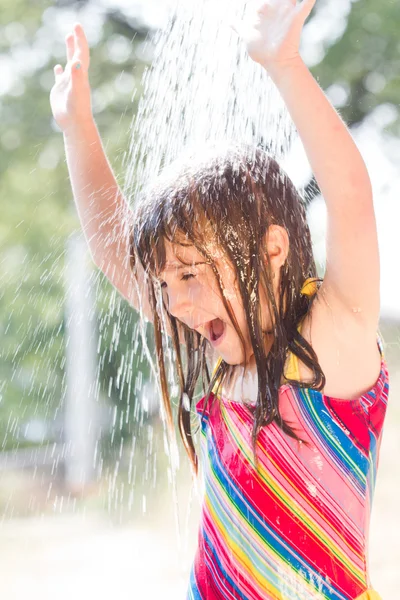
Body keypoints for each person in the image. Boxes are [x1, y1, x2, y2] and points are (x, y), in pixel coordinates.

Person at [50, 1, 389, 598]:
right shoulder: (223, 354)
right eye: (165, 283)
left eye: (189, 275)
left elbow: (352, 201)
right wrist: (79, 128)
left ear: (274, 248)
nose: (173, 302)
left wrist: (283, 65)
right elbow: (113, 247)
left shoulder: (331, 341)